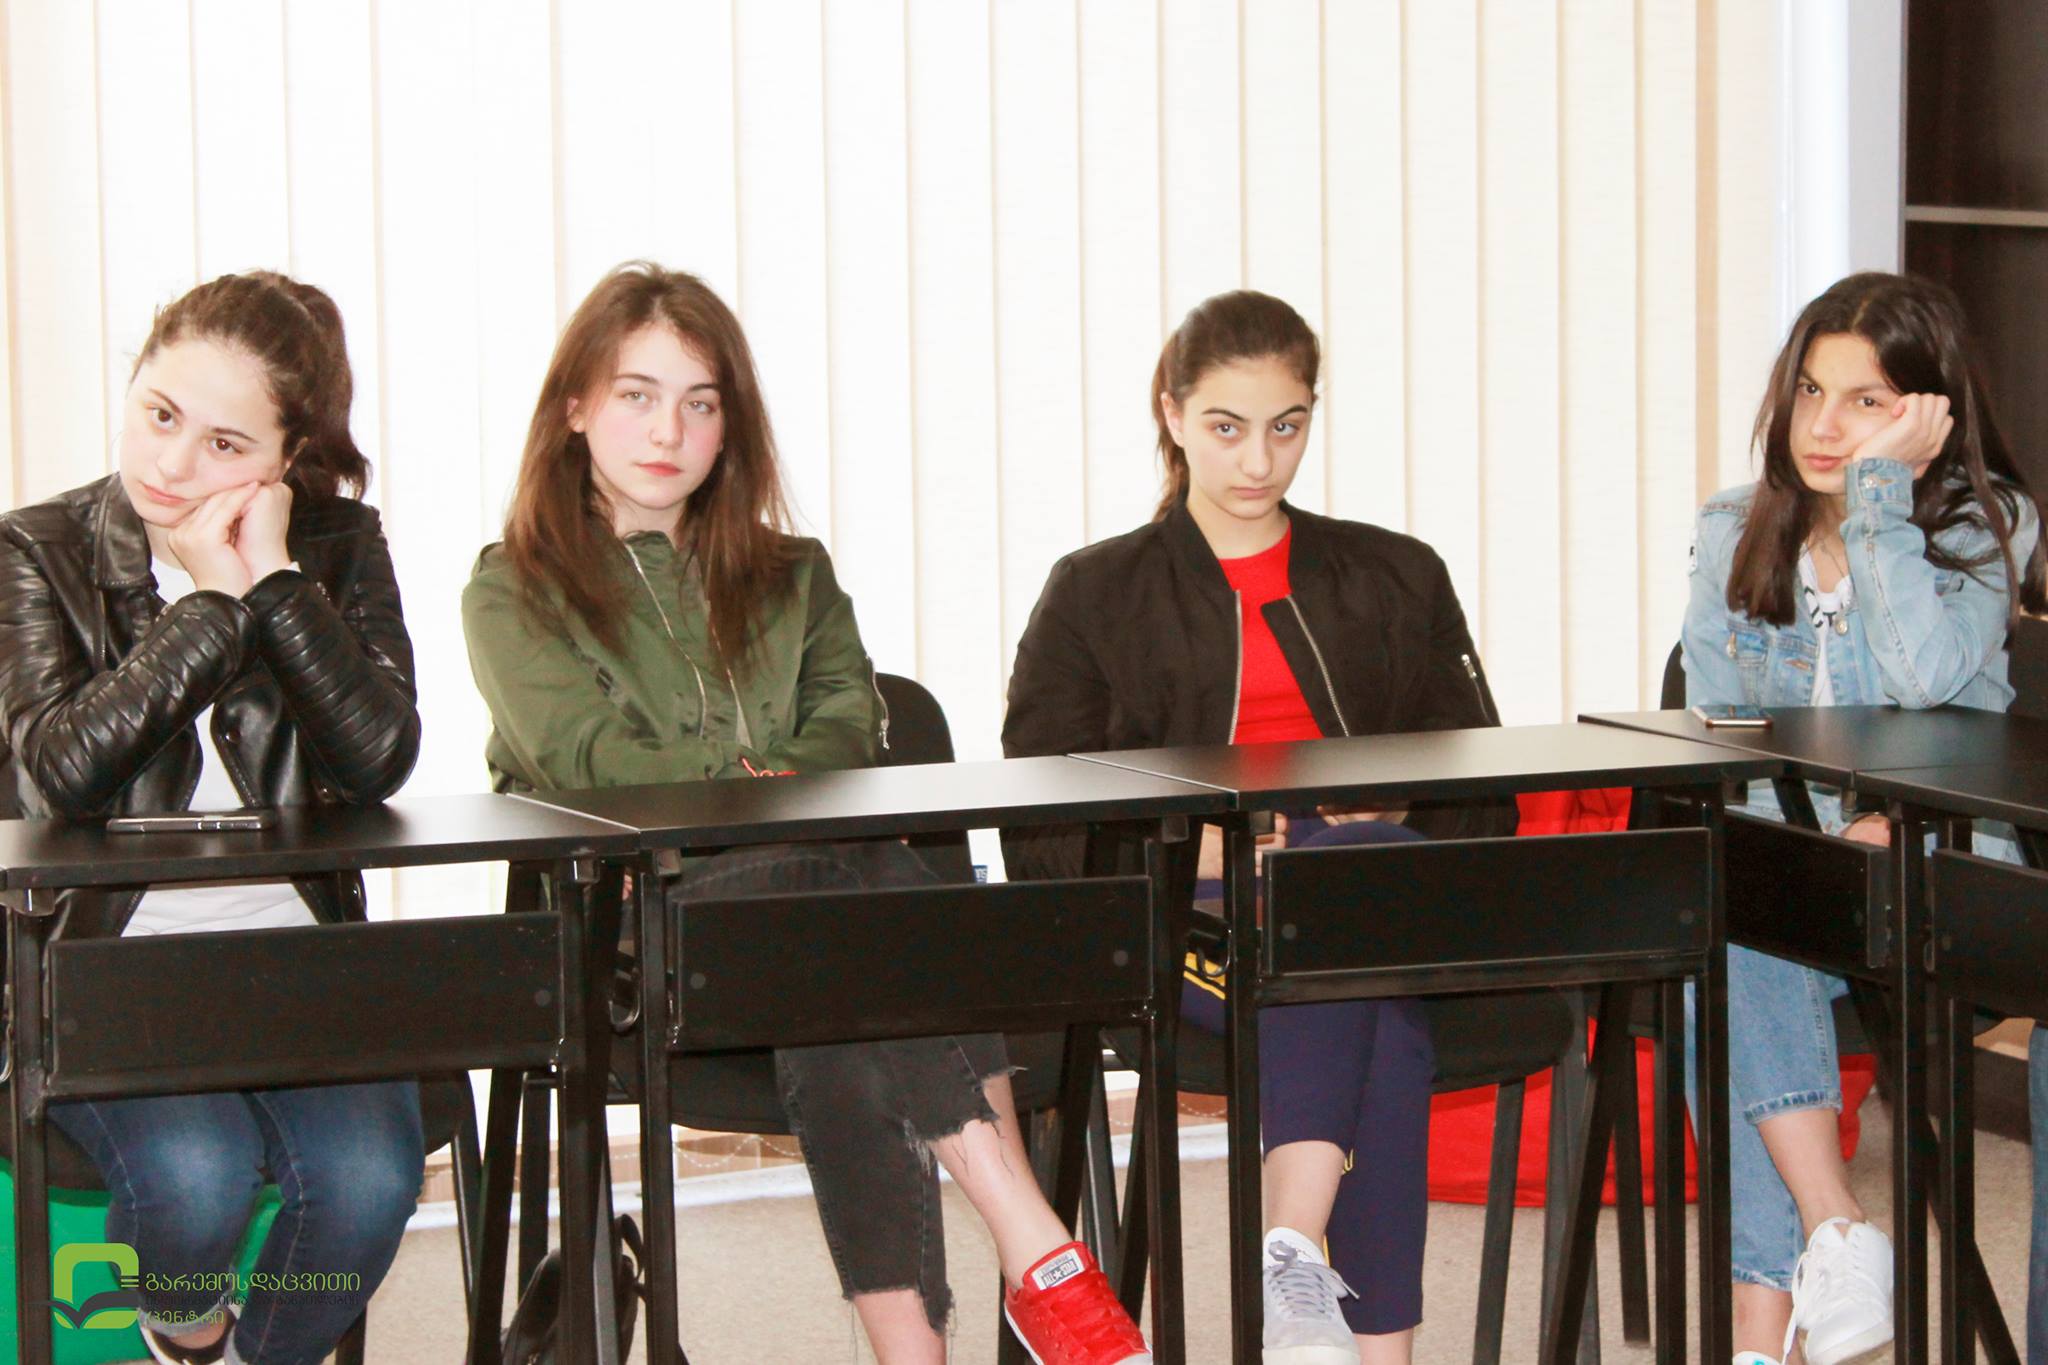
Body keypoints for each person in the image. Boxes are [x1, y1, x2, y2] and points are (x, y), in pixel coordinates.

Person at [461, 261, 1150, 1365]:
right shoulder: (514, 586)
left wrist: (754, 786)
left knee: (836, 967)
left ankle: (916, 1353)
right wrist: (759, 780)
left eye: (699, 402)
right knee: (852, 906)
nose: (668, 430)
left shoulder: (794, 573)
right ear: (576, 406)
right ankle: (1031, 1236)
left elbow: (851, 721)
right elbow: (591, 764)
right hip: (640, 939)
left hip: (811, 929)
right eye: (637, 395)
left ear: (729, 424)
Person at [1002, 289, 1516, 1365]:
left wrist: (1391, 809)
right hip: (1195, 920)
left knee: (1354, 879)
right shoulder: (1095, 592)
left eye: (1286, 426)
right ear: (1172, 413)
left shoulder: (1396, 574)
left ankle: (1292, 1251)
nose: (1258, 460)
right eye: (1227, 427)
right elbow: (1041, 837)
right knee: (1373, 998)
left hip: (1373, 891)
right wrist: (1211, 845)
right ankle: (1324, 1290)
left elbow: (1484, 799)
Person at [0, 272, 425, 1365]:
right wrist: (207, 605)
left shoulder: (336, 546)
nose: (173, 463)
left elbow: (379, 758)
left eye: (225, 443)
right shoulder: (38, 549)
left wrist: (275, 581)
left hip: (299, 961)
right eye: (160, 414)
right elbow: (60, 771)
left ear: (285, 460)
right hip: (103, 968)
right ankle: (186, 1324)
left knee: (369, 1181)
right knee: (195, 1179)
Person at [1682, 271, 2044, 1365]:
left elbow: (1925, 680)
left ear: (1928, 412)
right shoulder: (1733, 527)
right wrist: (1809, 842)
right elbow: (1720, 735)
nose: (1824, 426)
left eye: (1865, 400)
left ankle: (1772, 1321)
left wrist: (1881, 501)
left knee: (1748, 915)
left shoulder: (1987, 524)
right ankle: (1828, 1236)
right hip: (1802, 876)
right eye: (1809, 392)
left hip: (1946, 866)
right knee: (1733, 910)